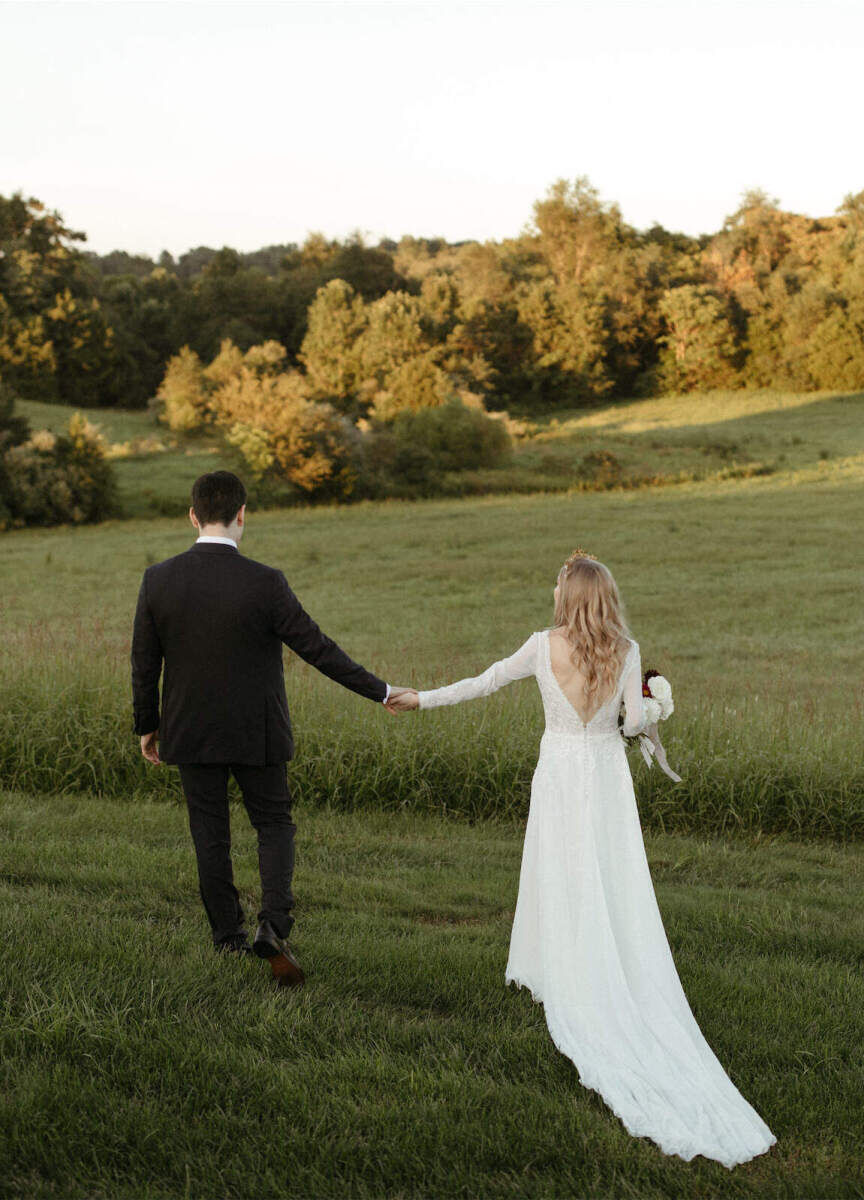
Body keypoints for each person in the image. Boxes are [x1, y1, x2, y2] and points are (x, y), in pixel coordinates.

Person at [386, 549, 776, 1168]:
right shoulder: (627, 649)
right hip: (604, 776)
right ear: (608, 597)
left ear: (568, 596)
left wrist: (420, 698)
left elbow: (484, 682)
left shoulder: (542, 647)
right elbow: (632, 722)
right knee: (609, 873)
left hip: (562, 773)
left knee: (559, 869)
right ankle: (594, 956)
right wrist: (653, 709)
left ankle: (564, 964)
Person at [131, 470, 416, 985]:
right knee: (274, 824)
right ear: (243, 515)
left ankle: (227, 938)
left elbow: (144, 664)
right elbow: (318, 649)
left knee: (209, 834)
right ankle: (274, 925)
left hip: (189, 730)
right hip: (256, 733)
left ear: (193, 516)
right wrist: (381, 690)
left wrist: (148, 726)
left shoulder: (158, 579)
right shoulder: (265, 582)